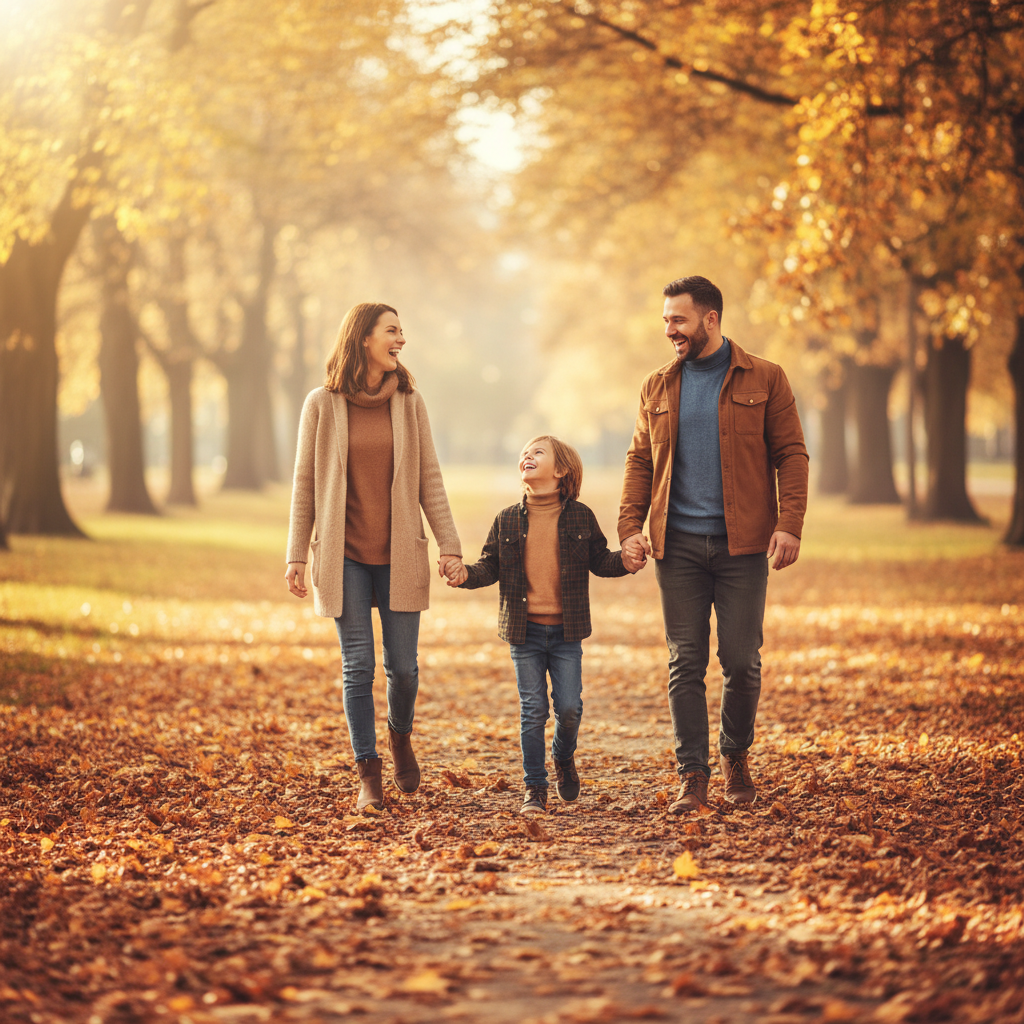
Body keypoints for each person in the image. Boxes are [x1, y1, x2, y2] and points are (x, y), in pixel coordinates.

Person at [618, 276, 808, 812]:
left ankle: (735, 755)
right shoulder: (656, 385)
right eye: (665, 321)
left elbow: (792, 454)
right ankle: (692, 774)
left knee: (743, 661)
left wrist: (789, 523)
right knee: (685, 661)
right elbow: (639, 460)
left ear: (711, 319)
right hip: (675, 546)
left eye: (678, 320)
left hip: (742, 545)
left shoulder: (766, 378)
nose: (669, 330)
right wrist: (630, 526)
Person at [285, 302, 465, 812]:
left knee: (403, 669)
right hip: (343, 555)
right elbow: (304, 485)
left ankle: (400, 734)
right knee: (357, 665)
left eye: (402, 331)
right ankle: (369, 771)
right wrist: (296, 554)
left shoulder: (409, 402)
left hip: (398, 554)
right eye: (392, 331)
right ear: (363, 337)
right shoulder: (321, 404)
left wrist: (449, 544)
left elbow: (430, 477)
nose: (401, 340)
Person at [444, 435, 639, 815]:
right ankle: (535, 788)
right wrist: (464, 574)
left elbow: (601, 561)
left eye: (537, 452)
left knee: (569, 709)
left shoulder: (580, 516)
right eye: (524, 453)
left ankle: (563, 757)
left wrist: (626, 561)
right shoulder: (507, 519)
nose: (526, 456)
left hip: (566, 633)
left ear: (561, 469)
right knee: (532, 709)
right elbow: (489, 567)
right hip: (524, 632)